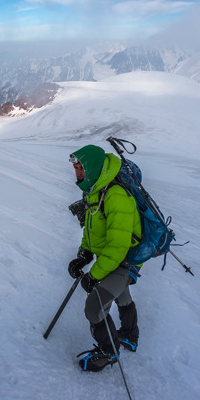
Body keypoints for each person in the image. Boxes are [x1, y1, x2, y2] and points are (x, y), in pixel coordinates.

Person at [68, 144, 142, 372]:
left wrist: (94, 275)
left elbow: (118, 247)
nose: (78, 173)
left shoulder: (116, 196)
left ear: (94, 168)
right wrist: (84, 253)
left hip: (125, 260)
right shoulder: (95, 190)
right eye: (76, 168)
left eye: (82, 168)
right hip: (111, 256)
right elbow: (92, 231)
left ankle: (109, 351)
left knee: (94, 307)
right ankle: (129, 335)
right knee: (121, 296)